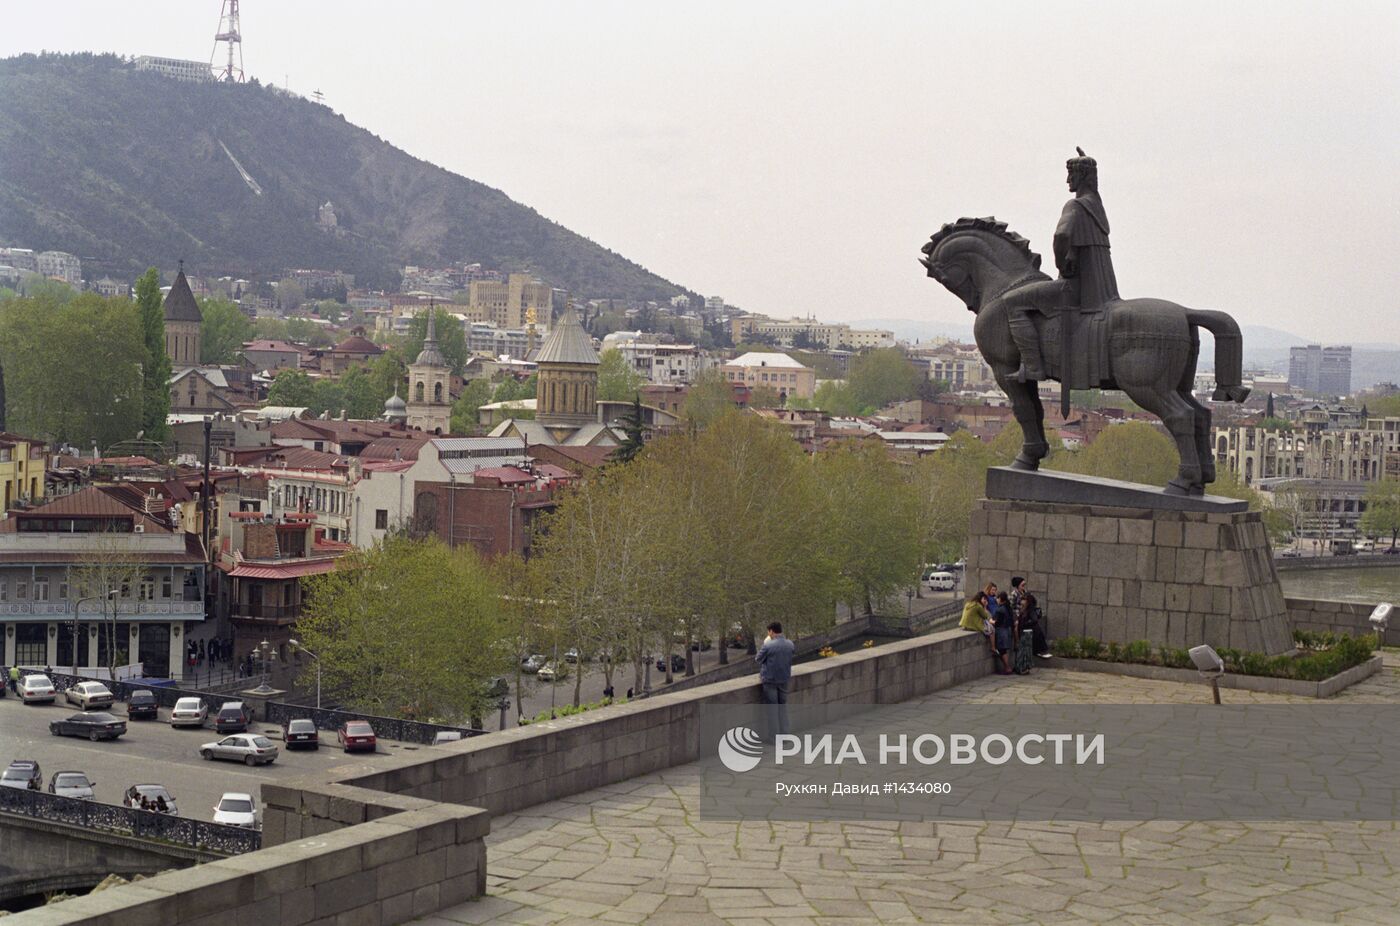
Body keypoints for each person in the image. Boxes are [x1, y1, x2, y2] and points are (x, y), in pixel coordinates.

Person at [1008, 148, 1118, 383]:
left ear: (1082, 177)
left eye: (1072, 174)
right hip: (1102, 286)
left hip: (1077, 286)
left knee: (1013, 303)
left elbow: (1062, 235)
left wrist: (1061, 262)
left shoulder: (1076, 205)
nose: (1068, 180)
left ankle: (1033, 366)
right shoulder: (1097, 207)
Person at [756, 620, 795, 742]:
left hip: (770, 679)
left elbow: (758, 659)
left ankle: (774, 737)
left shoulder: (768, 645)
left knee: (773, 709)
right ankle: (785, 735)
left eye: (769, 632)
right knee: (783, 707)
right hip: (784, 678)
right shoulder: (790, 644)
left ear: (771, 631)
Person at [1020, 593, 1052, 658]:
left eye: (1024, 599)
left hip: (1031, 631)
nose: (1022, 601)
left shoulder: (1030, 609)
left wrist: (1025, 624)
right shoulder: (1025, 609)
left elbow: (1034, 620)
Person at [991, 592, 1014, 675]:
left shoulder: (1000, 609)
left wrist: (991, 621)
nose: (996, 600)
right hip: (1007, 630)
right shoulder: (1008, 608)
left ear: (1000, 599)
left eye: (997, 598)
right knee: (1004, 650)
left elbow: (997, 622)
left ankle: (1007, 667)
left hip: (1001, 631)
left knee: (1002, 650)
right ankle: (1007, 667)